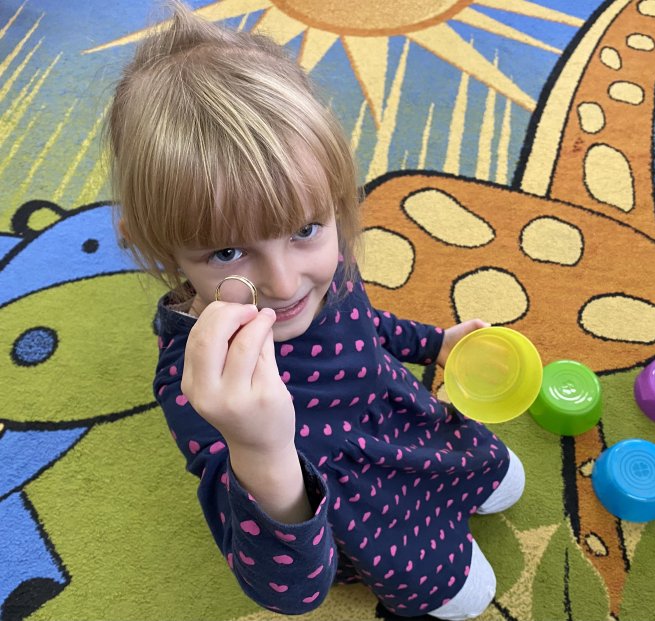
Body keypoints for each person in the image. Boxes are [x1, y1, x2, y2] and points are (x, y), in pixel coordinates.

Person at [106, 3, 525, 619]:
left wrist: (435, 344)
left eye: (305, 228)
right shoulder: (198, 387)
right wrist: (261, 452)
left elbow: (366, 326)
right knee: (460, 591)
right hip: (363, 505)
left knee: (494, 473)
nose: (284, 283)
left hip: (406, 422)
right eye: (227, 252)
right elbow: (291, 591)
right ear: (159, 246)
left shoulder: (323, 267)